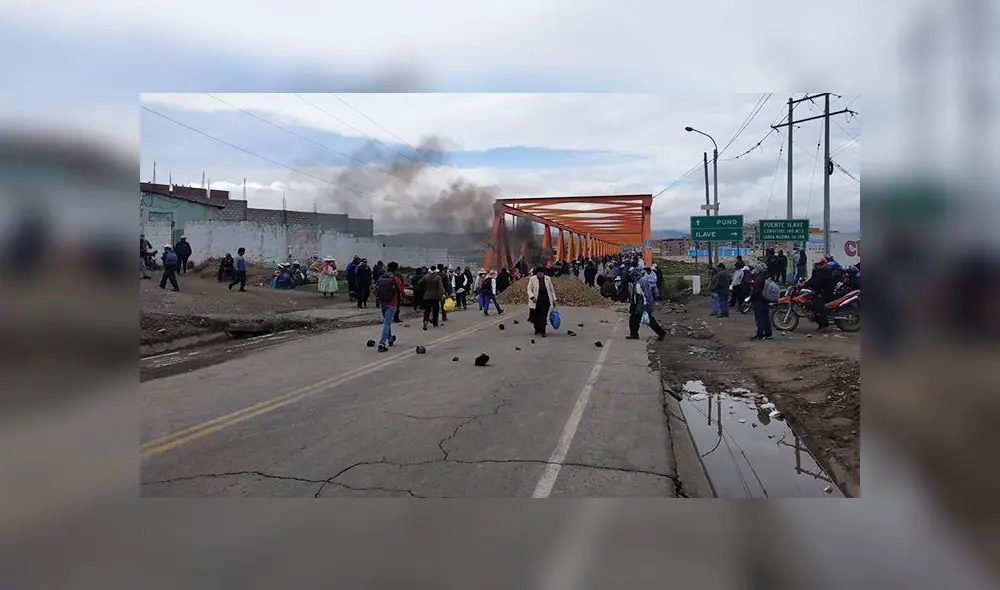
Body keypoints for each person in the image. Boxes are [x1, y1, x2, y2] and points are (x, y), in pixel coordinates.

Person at [626, 268, 666, 340]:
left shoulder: (642, 281)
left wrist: (646, 305)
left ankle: (661, 333)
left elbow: (646, 294)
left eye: (632, 275)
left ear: (635, 275)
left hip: (642, 305)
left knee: (649, 321)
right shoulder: (637, 281)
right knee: (633, 320)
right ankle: (634, 334)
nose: (631, 277)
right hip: (637, 304)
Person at [374, 261, 405, 352]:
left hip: (382, 302)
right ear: (396, 269)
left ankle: (390, 338)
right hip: (392, 303)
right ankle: (382, 343)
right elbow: (401, 290)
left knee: (387, 321)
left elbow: (375, 289)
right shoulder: (395, 278)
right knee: (387, 323)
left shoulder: (381, 277)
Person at [804, 257, 834, 331]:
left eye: (818, 264)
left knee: (818, 305)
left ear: (823, 264)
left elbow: (818, 281)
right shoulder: (816, 271)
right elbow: (812, 279)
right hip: (819, 292)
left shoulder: (826, 271)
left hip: (826, 293)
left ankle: (824, 324)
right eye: (816, 264)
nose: (817, 266)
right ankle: (819, 323)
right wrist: (804, 284)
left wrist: (808, 284)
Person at [526, 267, 556, 337]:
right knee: (535, 316)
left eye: (541, 272)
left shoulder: (547, 279)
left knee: (543, 316)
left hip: (545, 300)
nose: (540, 274)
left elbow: (551, 290)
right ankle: (537, 328)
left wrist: (554, 299)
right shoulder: (532, 279)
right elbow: (529, 289)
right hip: (536, 300)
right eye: (538, 273)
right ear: (536, 273)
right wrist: (532, 297)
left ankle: (543, 331)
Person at [749, 262, 773, 340]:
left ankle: (760, 334)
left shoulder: (759, 277)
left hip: (758, 299)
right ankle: (768, 333)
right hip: (765, 299)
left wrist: (752, 296)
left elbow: (756, 290)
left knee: (759, 317)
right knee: (765, 317)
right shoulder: (767, 276)